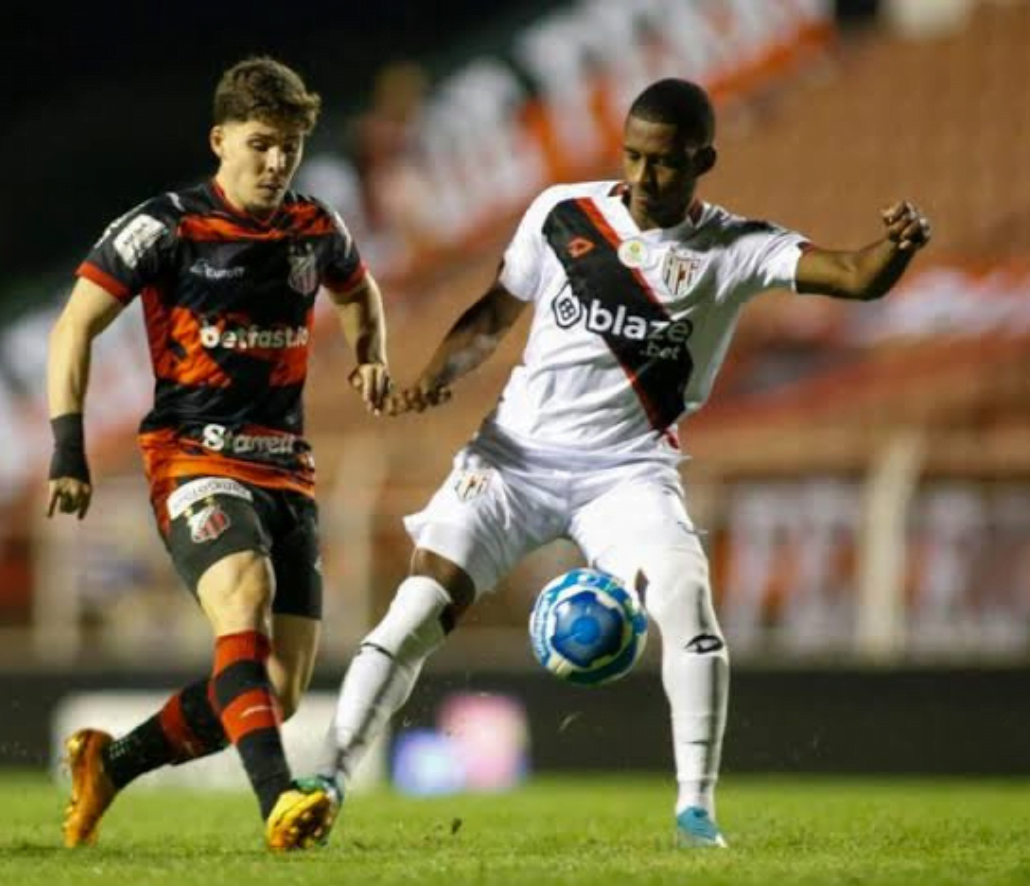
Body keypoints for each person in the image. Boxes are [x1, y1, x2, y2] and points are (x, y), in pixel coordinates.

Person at [296, 77, 932, 849]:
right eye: (631, 155)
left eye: (663, 162)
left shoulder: (732, 248)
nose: (641, 176)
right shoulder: (563, 213)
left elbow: (854, 275)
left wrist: (895, 249)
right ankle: (325, 783)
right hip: (513, 460)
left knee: (687, 606)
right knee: (417, 609)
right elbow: (496, 313)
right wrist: (435, 376)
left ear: (704, 160)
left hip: (626, 474)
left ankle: (695, 811)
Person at [44, 56, 393, 852]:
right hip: (192, 455)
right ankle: (278, 801)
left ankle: (112, 763)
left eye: (292, 148)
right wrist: (69, 448)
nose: (277, 164)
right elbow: (74, 324)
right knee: (245, 593)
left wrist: (371, 355)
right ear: (220, 139)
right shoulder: (166, 227)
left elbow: (358, 291)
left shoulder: (315, 226)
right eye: (262, 144)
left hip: (286, 467)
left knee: (278, 688)